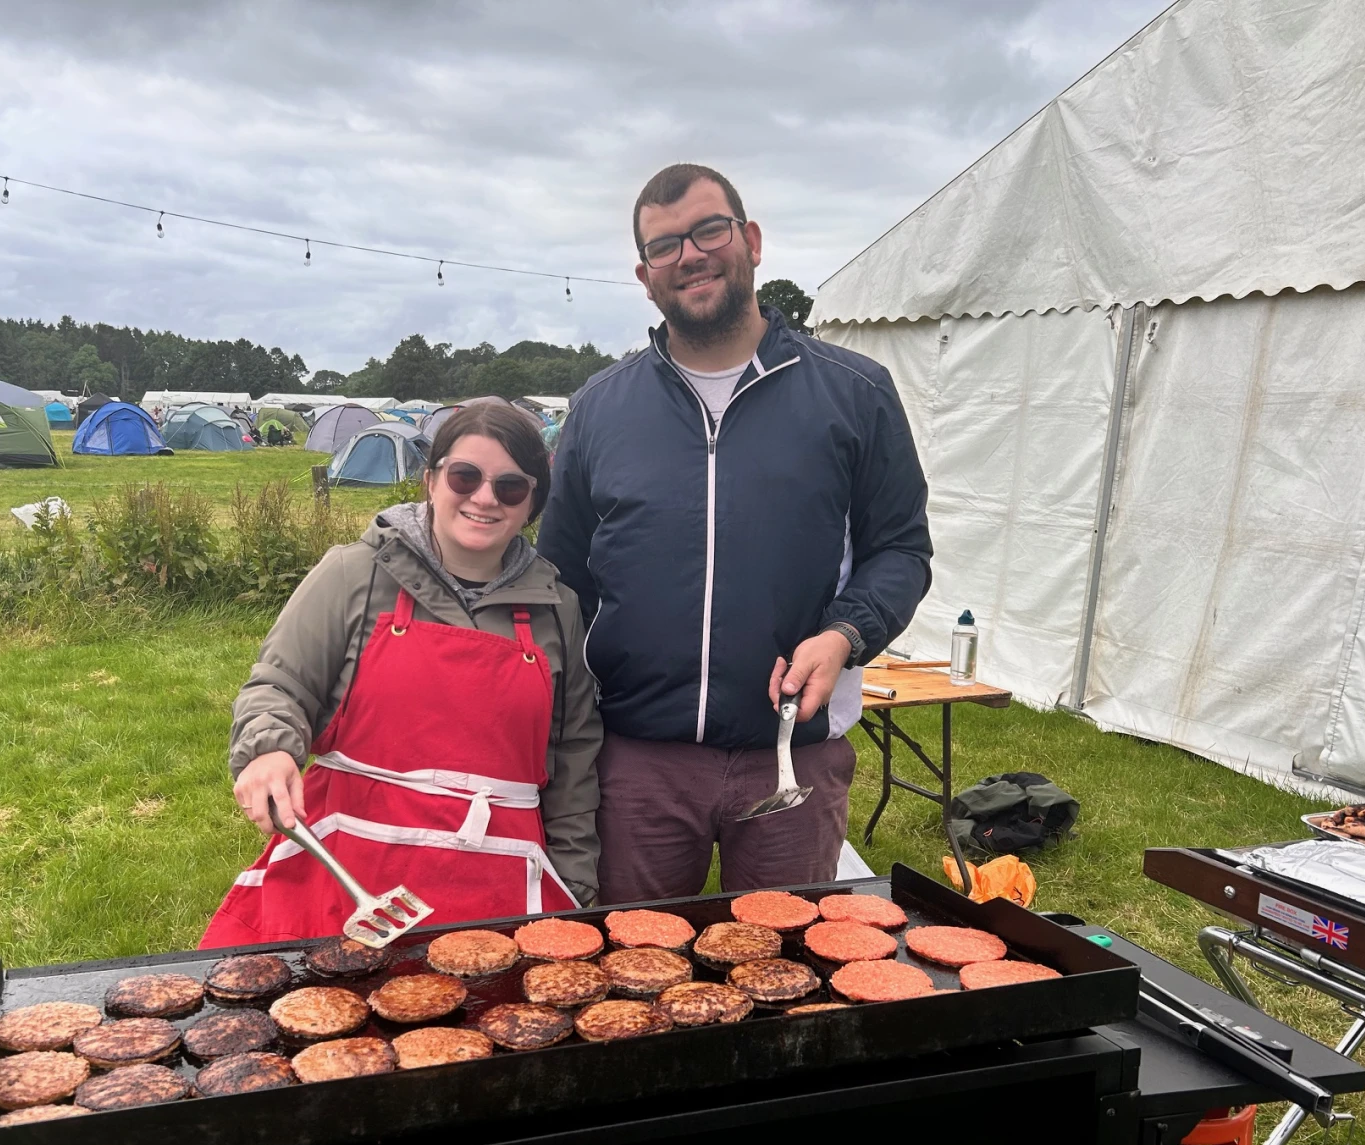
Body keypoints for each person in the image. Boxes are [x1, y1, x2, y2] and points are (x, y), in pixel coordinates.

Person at [538, 162, 931, 906]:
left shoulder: (853, 393)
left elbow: (900, 551)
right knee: (630, 987)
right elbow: (559, 580)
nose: (688, 255)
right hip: (637, 760)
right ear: (643, 273)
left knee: (791, 978)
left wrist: (845, 633)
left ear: (749, 239)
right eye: (664, 246)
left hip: (792, 755)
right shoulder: (599, 408)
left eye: (707, 230)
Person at [203, 400, 603, 948]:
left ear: (532, 503)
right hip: (348, 876)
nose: (484, 497)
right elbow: (279, 686)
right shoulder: (354, 574)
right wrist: (269, 749)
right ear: (431, 479)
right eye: (465, 476)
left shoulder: (558, 608)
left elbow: (574, 756)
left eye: (511, 487)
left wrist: (574, 884)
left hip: (499, 883)